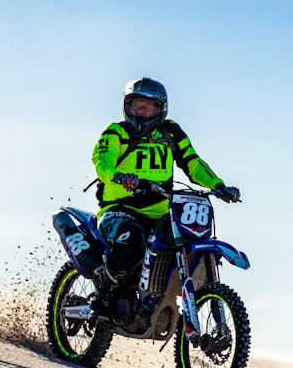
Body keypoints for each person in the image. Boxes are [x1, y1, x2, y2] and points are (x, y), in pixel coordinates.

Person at [89, 76, 240, 320]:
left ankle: (160, 296)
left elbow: (193, 162)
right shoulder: (115, 131)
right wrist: (117, 176)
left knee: (186, 239)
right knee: (131, 239)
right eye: (135, 105)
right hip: (119, 209)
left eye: (146, 107)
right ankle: (103, 296)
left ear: (160, 109)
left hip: (162, 212)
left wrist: (218, 185)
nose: (140, 112)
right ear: (126, 106)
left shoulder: (171, 132)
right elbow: (101, 162)